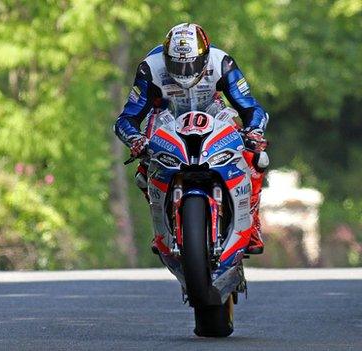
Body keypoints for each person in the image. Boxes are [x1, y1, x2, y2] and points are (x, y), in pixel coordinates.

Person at [114, 23, 269, 254]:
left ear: (204, 57)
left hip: (214, 115)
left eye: (191, 64)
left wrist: (254, 131)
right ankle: (162, 229)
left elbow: (252, 108)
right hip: (167, 119)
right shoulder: (150, 69)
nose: (184, 72)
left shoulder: (222, 63)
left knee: (257, 158)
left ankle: (252, 224)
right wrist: (135, 140)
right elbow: (126, 119)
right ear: (166, 58)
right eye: (177, 64)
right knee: (143, 172)